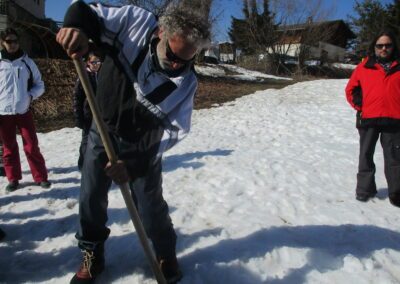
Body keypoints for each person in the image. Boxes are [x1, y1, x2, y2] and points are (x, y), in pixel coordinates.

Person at [56, 1, 210, 283]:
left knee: (150, 206)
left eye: (185, 60)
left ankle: (165, 253)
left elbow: (174, 131)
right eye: (172, 55)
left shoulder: (185, 83)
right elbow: (86, 10)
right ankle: (92, 254)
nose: (175, 65)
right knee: (90, 197)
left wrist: (136, 164)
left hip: (142, 144)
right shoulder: (135, 22)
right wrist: (76, 28)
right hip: (101, 128)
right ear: (160, 33)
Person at [345, 30, 400, 207]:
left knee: (394, 158)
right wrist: (361, 105)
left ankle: (396, 192)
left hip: (394, 120)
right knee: (365, 155)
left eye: (387, 45)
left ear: (393, 46)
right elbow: (351, 90)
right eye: (380, 45)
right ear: (374, 47)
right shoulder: (364, 66)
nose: (384, 48)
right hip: (368, 119)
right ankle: (365, 190)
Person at [0, 28, 51, 192]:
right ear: (3, 42)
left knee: (31, 145)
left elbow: (40, 85)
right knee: (8, 147)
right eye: (9, 41)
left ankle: (40, 177)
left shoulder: (27, 62)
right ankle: (13, 178)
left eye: (15, 41)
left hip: (23, 111)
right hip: (3, 113)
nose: (13, 44)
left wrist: (30, 96)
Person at [73, 52, 101, 171]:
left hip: (101, 114)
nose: (96, 65)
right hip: (88, 115)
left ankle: (99, 163)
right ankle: (83, 163)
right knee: (87, 140)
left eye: (98, 62)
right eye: (93, 62)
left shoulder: (101, 75)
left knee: (101, 140)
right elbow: (77, 98)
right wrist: (78, 117)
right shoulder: (84, 77)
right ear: (88, 63)